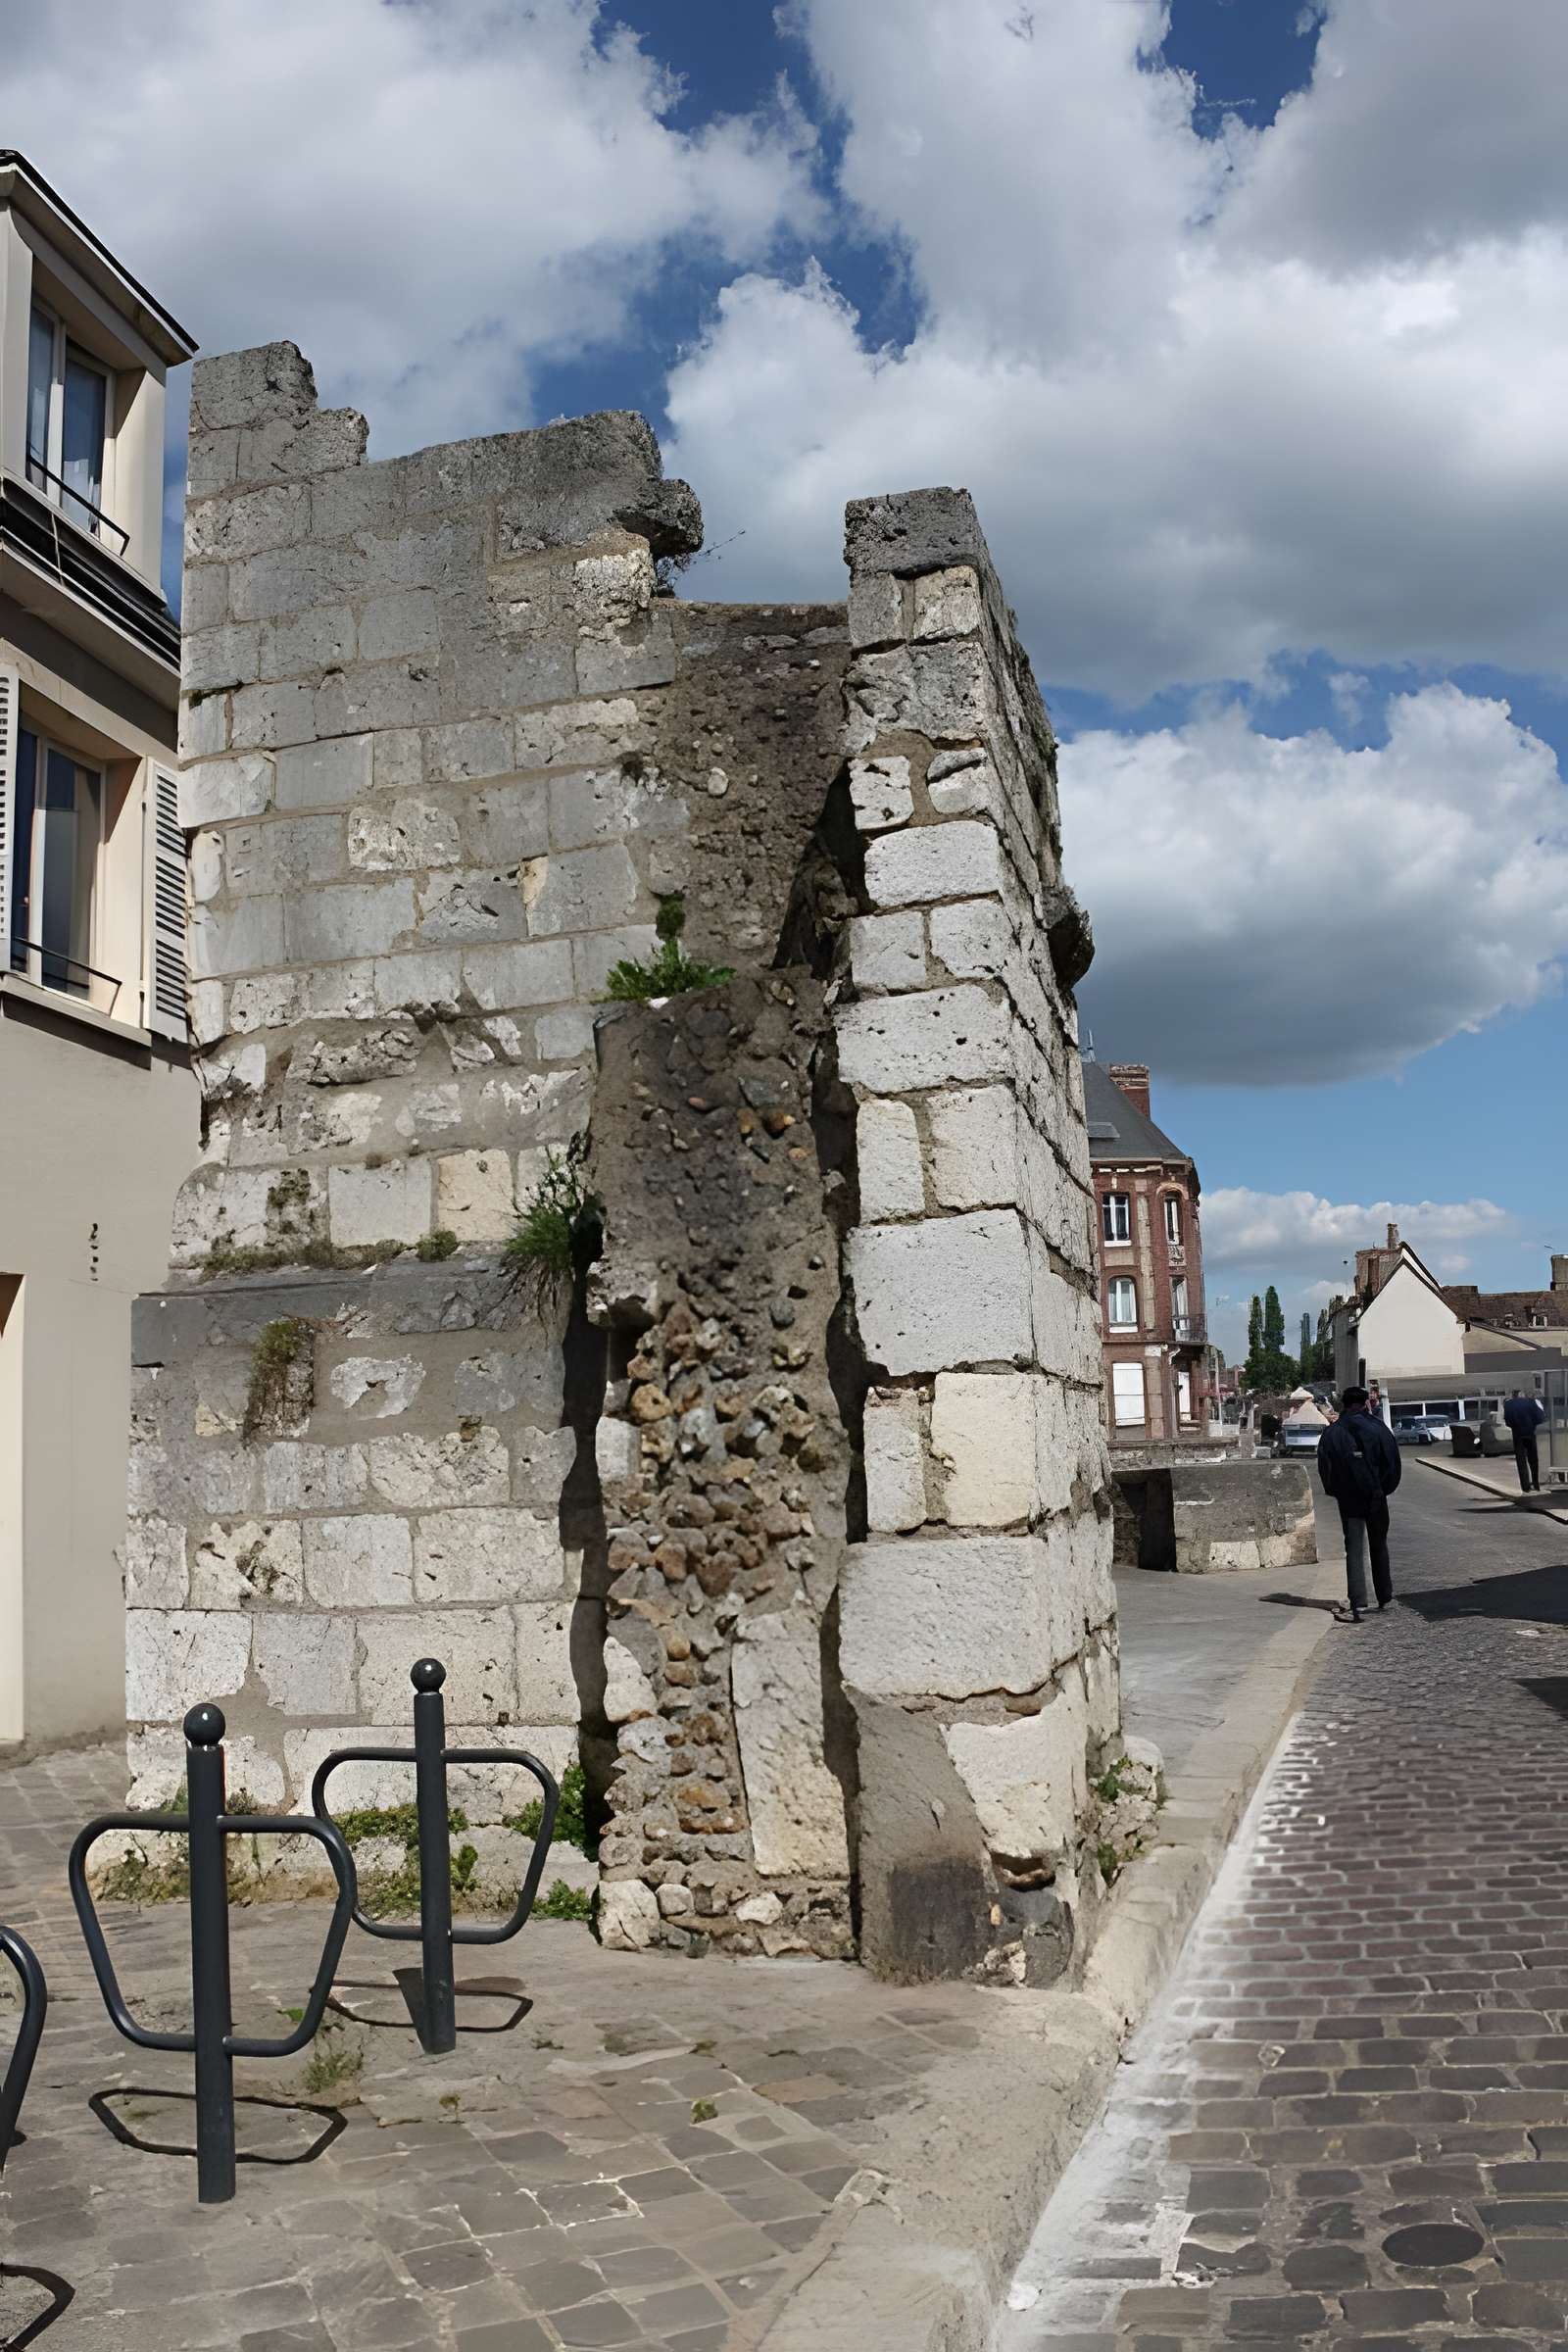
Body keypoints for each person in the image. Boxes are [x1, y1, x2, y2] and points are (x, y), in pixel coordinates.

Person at [1317, 1384, 1402, 1624]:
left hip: (1348, 1498)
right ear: (1366, 1403)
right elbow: (1392, 1463)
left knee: (1353, 1548)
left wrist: (1336, 1491)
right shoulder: (1379, 1429)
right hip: (1375, 1495)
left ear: (1343, 1404)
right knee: (1379, 1544)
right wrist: (1383, 1489)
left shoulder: (1332, 1433)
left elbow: (1326, 1468)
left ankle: (1357, 1600)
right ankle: (1384, 1595)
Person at [1503, 1388, 1546, 1493]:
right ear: (1522, 1394)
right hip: (1530, 1432)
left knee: (1521, 1461)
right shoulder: (1531, 1402)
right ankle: (1536, 1484)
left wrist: (1515, 1426)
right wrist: (1533, 1424)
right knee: (1533, 1460)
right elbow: (1540, 1417)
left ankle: (1526, 1486)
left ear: (1513, 1395)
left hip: (1517, 1434)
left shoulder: (1508, 1404)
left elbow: (1507, 1421)